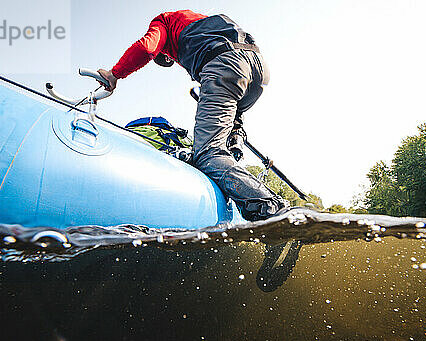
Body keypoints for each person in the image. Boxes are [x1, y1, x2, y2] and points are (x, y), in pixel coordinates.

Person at [97, 10, 289, 221]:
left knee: (208, 154)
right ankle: (234, 146)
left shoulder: (164, 21)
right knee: (231, 120)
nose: (171, 58)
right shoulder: (192, 18)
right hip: (257, 68)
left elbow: (146, 47)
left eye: (168, 56)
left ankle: (271, 210)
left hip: (226, 65)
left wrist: (114, 74)